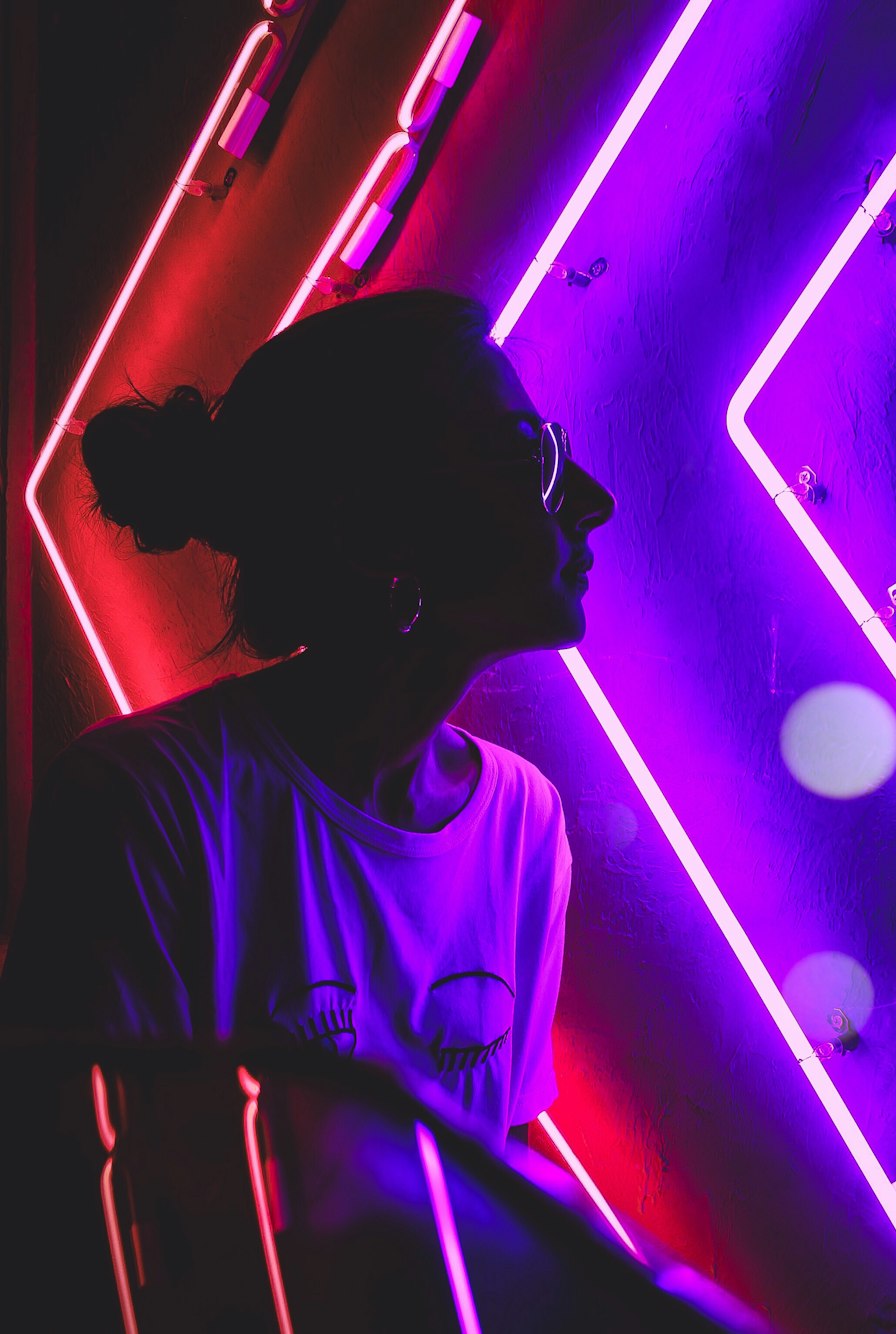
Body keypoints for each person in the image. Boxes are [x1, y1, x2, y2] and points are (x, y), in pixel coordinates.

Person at [0, 287, 615, 1153]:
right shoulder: (144, 810)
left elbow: (495, 1178)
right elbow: (82, 1213)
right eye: (531, 460)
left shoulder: (525, 823)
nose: (592, 499)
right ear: (374, 534)